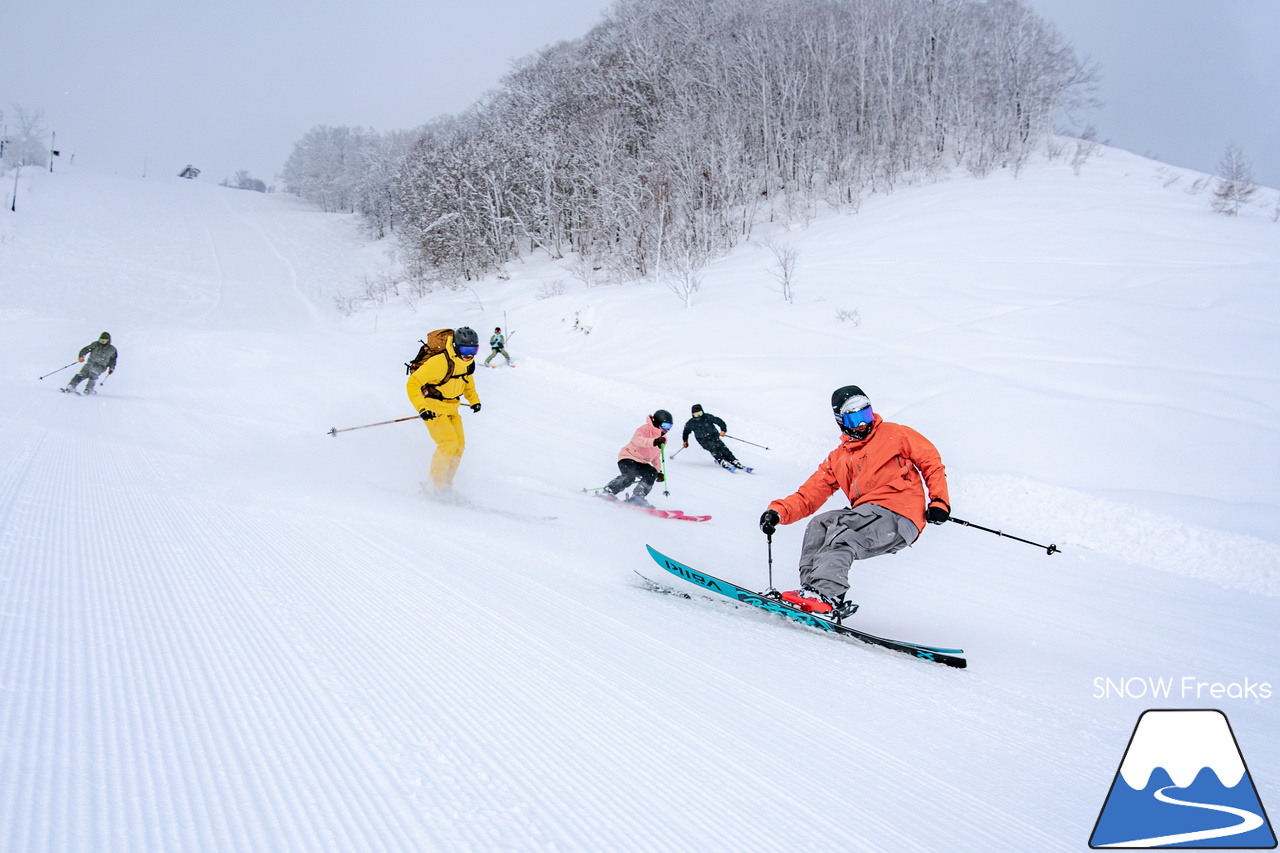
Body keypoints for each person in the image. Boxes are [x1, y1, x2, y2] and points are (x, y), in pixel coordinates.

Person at [758, 385, 950, 617]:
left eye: (865, 415)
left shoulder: (894, 434)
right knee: (820, 524)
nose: (862, 424)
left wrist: (939, 501)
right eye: (854, 418)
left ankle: (828, 594)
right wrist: (778, 512)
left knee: (843, 532)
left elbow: (931, 461)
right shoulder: (839, 458)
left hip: (899, 513)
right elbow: (810, 494)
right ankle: (811, 593)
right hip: (867, 515)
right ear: (841, 421)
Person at [406, 326, 483, 493]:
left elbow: (468, 383)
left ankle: (445, 485)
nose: (469, 354)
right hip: (434, 408)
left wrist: (474, 400)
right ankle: (434, 486)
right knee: (448, 443)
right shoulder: (439, 362)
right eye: (465, 349)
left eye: (474, 349)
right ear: (456, 346)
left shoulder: (467, 362)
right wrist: (422, 408)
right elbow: (413, 383)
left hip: (452, 409)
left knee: (459, 446)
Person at [601, 410, 673, 509]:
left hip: (641, 462)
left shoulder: (663, 439)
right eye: (665, 426)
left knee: (652, 473)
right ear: (657, 422)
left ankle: (638, 497)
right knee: (630, 475)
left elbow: (656, 456)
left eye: (670, 427)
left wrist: (659, 471)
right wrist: (654, 441)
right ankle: (608, 491)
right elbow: (637, 440)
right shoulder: (645, 429)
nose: (667, 429)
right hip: (628, 457)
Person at [680, 404, 743, 470]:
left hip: (714, 437)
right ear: (692, 414)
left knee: (723, 448)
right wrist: (685, 441)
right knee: (713, 448)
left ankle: (733, 460)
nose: (698, 416)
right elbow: (685, 433)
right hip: (703, 440)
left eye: (699, 413)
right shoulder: (690, 423)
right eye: (696, 414)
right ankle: (721, 460)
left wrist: (723, 430)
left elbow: (720, 422)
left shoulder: (707, 417)